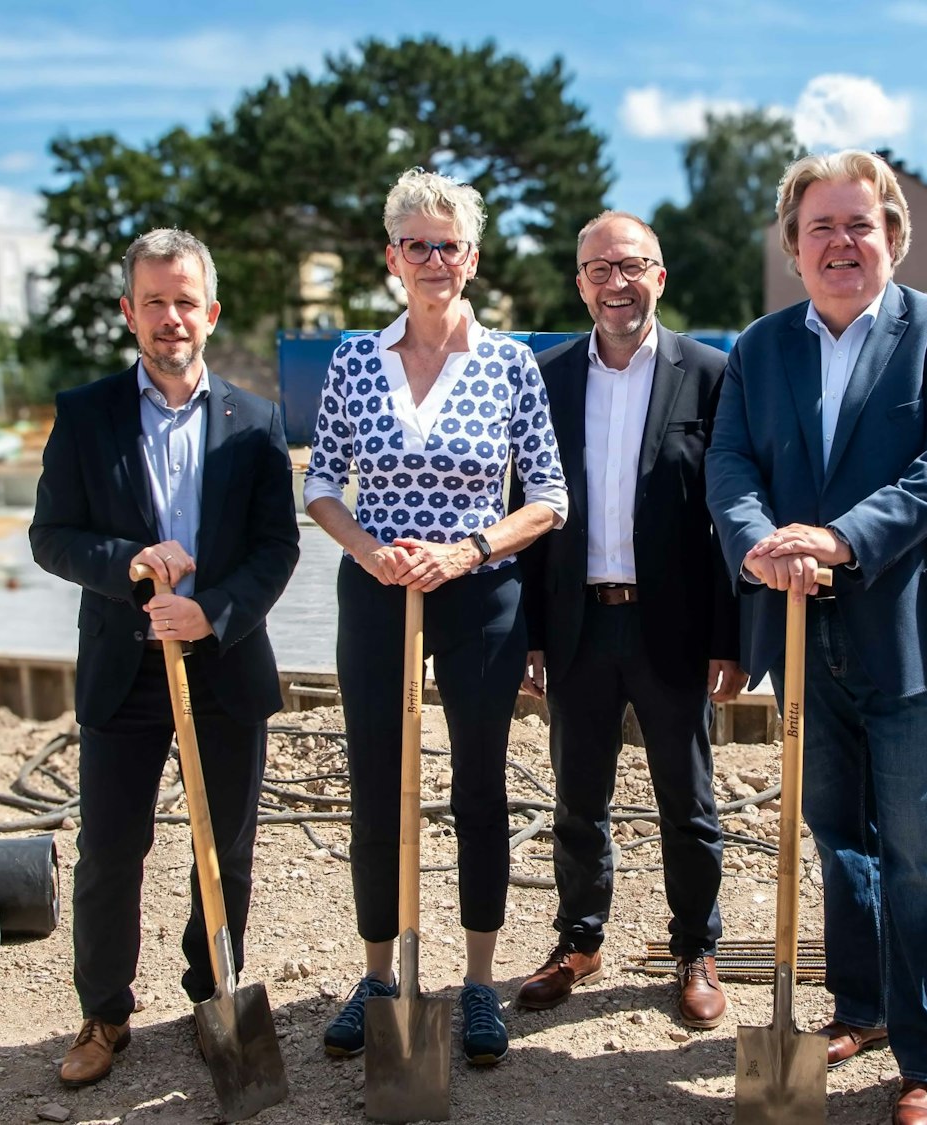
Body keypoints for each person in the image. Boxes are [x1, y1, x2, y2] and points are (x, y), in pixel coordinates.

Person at [706, 150, 927, 1125]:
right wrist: (758, 548)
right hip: (804, 627)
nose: (841, 243)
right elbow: (731, 463)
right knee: (837, 835)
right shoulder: (761, 348)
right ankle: (861, 1005)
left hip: (917, 625)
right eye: (819, 229)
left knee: (920, 843)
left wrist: (838, 539)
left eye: (858, 225)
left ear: (890, 236)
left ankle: (925, 1056)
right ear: (793, 249)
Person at [302, 167, 567, 1068]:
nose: (431, 260)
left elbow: (551, 498)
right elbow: (322, 485)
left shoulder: (509, 363)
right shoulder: (352, 359)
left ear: (472, 258)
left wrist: (468, 550)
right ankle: (380, 977)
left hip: (479, 594)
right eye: (415, 244)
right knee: (378, 784)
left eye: (446, 245)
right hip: (375, 593)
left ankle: (480, 981)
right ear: (391, 258)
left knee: (480, 784)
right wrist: (370, 549)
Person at [30, 228, 301, 1088]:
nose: (170, 318)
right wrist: (131, 566)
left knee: (225, 849)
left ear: (211, 313)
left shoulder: (256, 424)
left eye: (185, 301)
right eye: (154, 301)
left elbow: (276, 546)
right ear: (128, 312)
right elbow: (52, 536)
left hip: (223, 664)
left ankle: (210, 993)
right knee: (111, 847)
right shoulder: (85, 415)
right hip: (124, 667)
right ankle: (105, 1013)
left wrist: (212, 611)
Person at [513, 211, 744, 1027]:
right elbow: (528, 511)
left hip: (672, 626)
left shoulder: (712, 374)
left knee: (688, 800)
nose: (618, 283)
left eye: (633, 266)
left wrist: (731, 637)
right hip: (578, 624)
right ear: (580, 283)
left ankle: (696, 948)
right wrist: (530, 633)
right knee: (579, 797)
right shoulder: (545, 378)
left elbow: (727, 517)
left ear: (661, 276)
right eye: (600, 269)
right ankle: (578, 939)